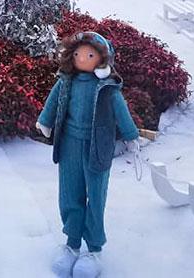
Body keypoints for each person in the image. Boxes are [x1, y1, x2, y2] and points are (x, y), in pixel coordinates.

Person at [37, 32, 139, 278]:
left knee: (95, 193)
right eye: (77, 54)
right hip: (70, 143)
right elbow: (52, 103)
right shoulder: (65, 82)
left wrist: (130, 134)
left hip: (97, 147)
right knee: (69, 192)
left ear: (102, 59)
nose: (82, 58)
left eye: (90, 54)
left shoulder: (107, 88)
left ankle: (93, 249)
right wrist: (45, 121)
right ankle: (72, 243)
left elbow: (120, 111)